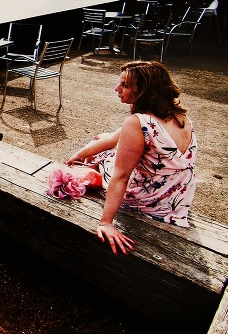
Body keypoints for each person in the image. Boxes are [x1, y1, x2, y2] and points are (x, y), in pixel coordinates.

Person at [56, 61, 197, 255]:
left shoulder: (137, 122)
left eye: (125, 85)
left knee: (104, 156)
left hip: (147, 199)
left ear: (144, 91)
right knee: (105, 142)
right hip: (176, 198)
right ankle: (86, 163)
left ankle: (89, 172)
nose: (117, 88)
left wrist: (106, 222)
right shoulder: (181, 117)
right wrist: (78, 154)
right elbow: (114, 138)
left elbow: (122, 176)